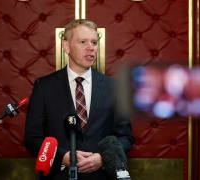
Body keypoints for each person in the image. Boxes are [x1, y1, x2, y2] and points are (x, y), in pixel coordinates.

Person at [24, 19, 134, 180]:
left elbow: (126, 138)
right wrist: (63, 157)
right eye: (83, 42)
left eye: (94, 42)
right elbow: (32, 138)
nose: (91, 48)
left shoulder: (115, 87)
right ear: (66, 47)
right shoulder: (44, 86)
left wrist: (103, 158)